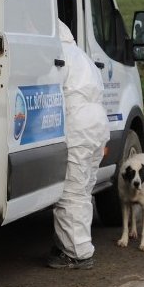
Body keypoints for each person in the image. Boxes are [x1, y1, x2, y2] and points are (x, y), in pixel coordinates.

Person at [46, 20, 110, 269]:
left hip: (78, 125)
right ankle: (74, 244)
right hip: (98, 123)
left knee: (70, 191)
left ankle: (76, 253)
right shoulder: (81, 55)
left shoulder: (59, 54)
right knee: (83, 189)